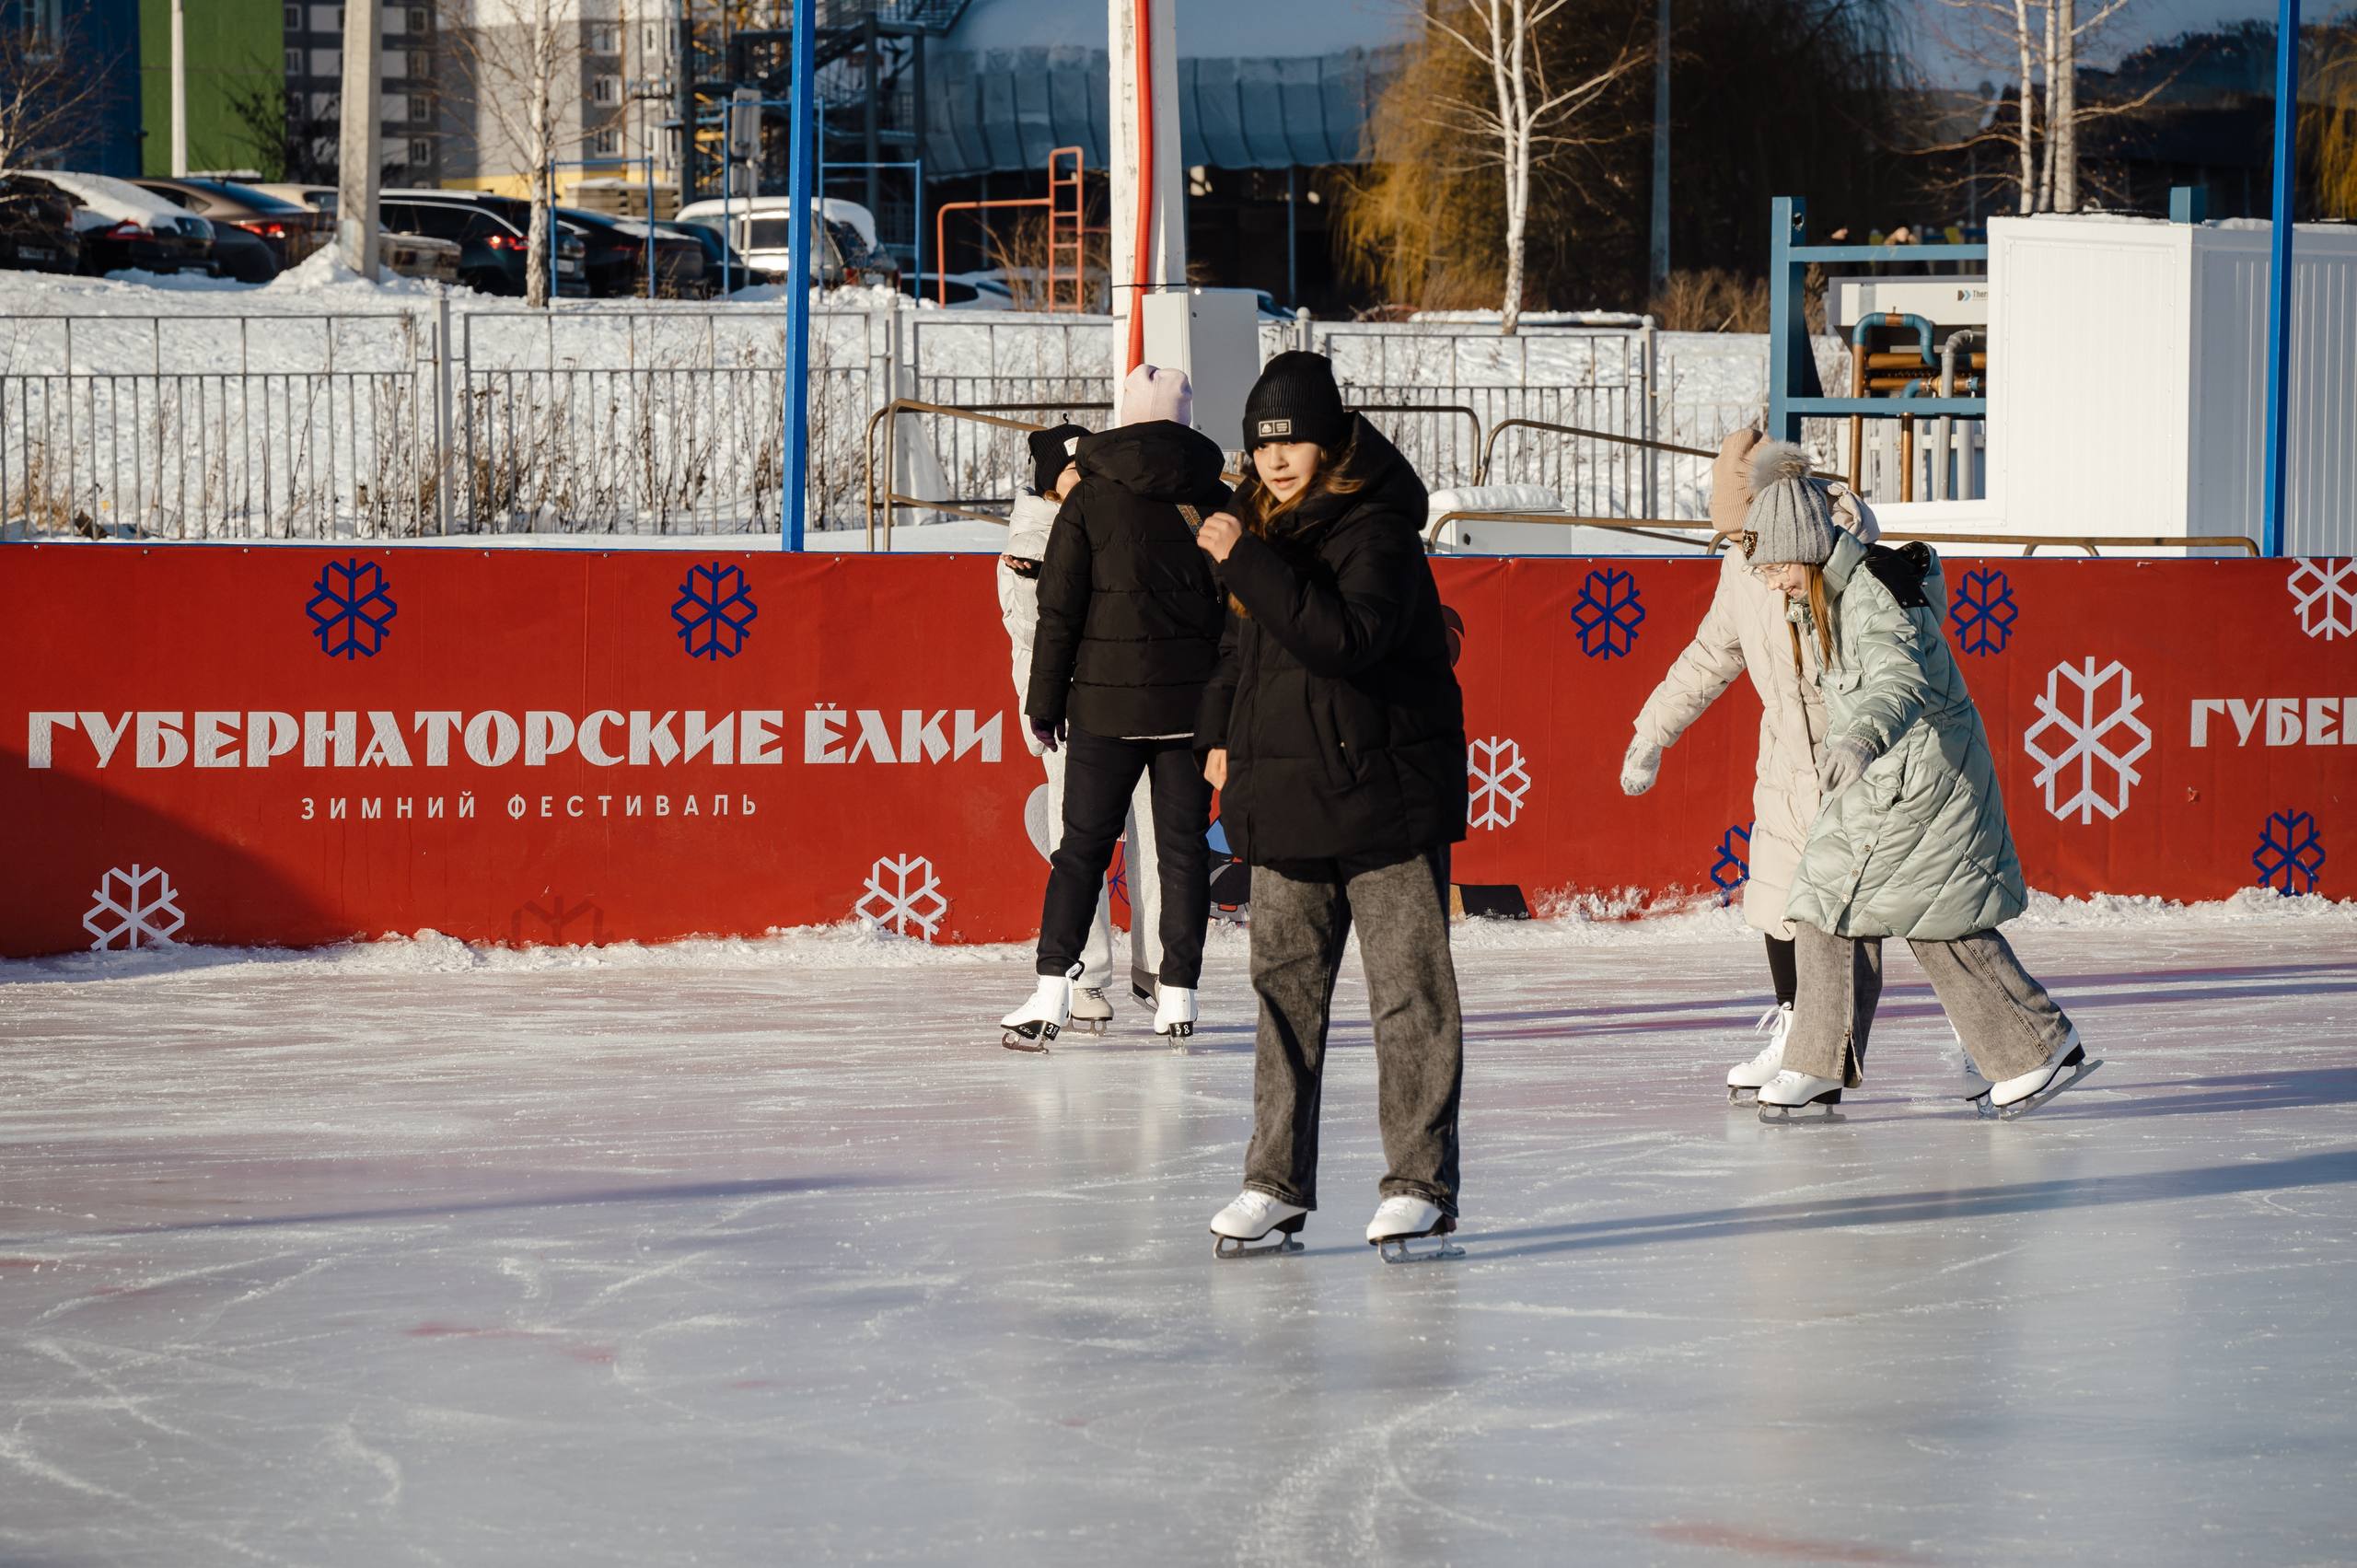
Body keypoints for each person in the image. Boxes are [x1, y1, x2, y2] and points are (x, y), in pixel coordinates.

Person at [1190, 351, 1470, 1261]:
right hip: (1287, 793)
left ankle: (1418, 1184)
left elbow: (1343, 638)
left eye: (1294, 441)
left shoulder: (1375, 527)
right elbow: (1237, 649)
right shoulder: (1256, 527)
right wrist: (1215, 731)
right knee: (1282, 997)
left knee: (1408, 995)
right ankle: (1273, 1182)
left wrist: (1246, 559)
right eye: (1261, 445)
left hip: (1384, 798)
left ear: (1332, 440)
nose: (1275, 460)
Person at [1735, 442, 2096, 1121]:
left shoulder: (1869, 593)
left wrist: (1859, 739)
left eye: (1777, 567)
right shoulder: (1829, 595)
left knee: (1937, 917)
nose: (1773, 583)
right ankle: (1817, 1064)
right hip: (1890, 780)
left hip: (1925, 776)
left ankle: (2039, 1046)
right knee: (1822, 899)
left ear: (1805, 551)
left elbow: (1900, 679)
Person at [1620, 428, 1882, 1101]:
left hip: (1850, 755)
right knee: (1775, 899)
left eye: (1747, 536)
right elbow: (1714, 652)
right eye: (1734, 538)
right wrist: (1652, 731)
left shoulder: (1839, 547)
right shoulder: (1741, 566)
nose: (1743, 550)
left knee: (1902, 913)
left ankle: (1982, 1037)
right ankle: (1799, 1038)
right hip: (1784, 759)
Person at [999, 366, 1228, 1050]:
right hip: (1191, 710)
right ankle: (1178, 994)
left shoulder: (1092, 498)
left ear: (1124, 416)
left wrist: (1044, 704)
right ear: (1185, 419)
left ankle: (1053, 991)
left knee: (1082, 851)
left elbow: (1059, 611)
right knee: (1182, 852)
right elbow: (1240, 614)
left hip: (1102, 709)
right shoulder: (1218, 499)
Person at [997, 421, 1159, 1036]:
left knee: (1152, 829)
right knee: (1079, 840)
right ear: (1048, 481)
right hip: (1066, 712)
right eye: (1072, 470)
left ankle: (1159, 967)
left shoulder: (1104, 521)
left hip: (1125, 700)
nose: (1084, 479)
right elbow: (1034, 632)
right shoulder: (1031, 538)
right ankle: (1085, 977)